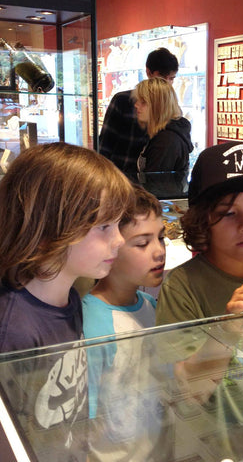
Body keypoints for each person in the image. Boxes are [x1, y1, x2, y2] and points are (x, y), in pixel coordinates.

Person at [0, 142, 134, 461]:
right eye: (104, 227)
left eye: (117, 225)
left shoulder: (69, 297)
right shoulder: (12, 330)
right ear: (49, 228)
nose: (120, 240)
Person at [156, 141, 243, 325]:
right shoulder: (182, 288)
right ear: (202, 219)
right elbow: (175, 354)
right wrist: (228, 329)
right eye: (228, 213)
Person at [82, 184, 173, 461]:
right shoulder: (92, 323)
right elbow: (84, 419)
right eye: (143, 243)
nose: (159, 251)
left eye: (161, 238)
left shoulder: (151, 306)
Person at [99, 47, 179, 177]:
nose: (164, 83)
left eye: (170, 78)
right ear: (149, 72)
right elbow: (105, 146)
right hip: (120, 179)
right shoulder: (123, 101)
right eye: (160, 77)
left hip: (145, 182)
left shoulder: (171, 109)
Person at [134, 77, 192, 199]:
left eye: (143, 102)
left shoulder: (165, 141)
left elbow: (156, 188)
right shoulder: (163, 135)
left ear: (158, 106)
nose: (136, 105)